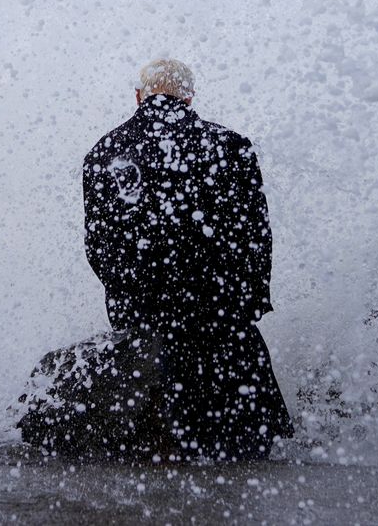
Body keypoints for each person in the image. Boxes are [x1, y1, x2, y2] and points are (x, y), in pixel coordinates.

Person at [81, 59, 294, 460]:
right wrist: (251, 301)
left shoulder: (105, 152)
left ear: (140, 96)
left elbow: (99, 245)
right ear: (190, 98)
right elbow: (256, 236)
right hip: (222, 317)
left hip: (145, 322)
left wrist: (128, 303)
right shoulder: (230, 146)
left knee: (155, 451)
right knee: (247, 453)